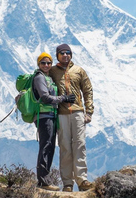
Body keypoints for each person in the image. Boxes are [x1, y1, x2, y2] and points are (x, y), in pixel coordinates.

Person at [49, 44, 94, 192]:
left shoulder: (79, 71)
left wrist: (89, 112)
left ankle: (82, 180)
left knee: (80, 145)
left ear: (71, 54)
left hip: (78, 113)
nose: (65, 55)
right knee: (65, 147)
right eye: (62, 53)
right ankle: (67, 183)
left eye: (68, 52)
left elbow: (87, 90)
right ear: (57, 55)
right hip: (61, 114)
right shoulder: (52, 71)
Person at [33, 52, 76, 191]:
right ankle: (43, 181)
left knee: (49, 146)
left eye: (48, 63)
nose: (46, 65)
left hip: (50, 115)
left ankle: (45, 180)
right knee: (46, 147)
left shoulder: (47, 77)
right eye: (43, 63)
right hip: (44, 116)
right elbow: (45, 97)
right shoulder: (39, 77)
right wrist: (63, 98)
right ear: (39, 64)